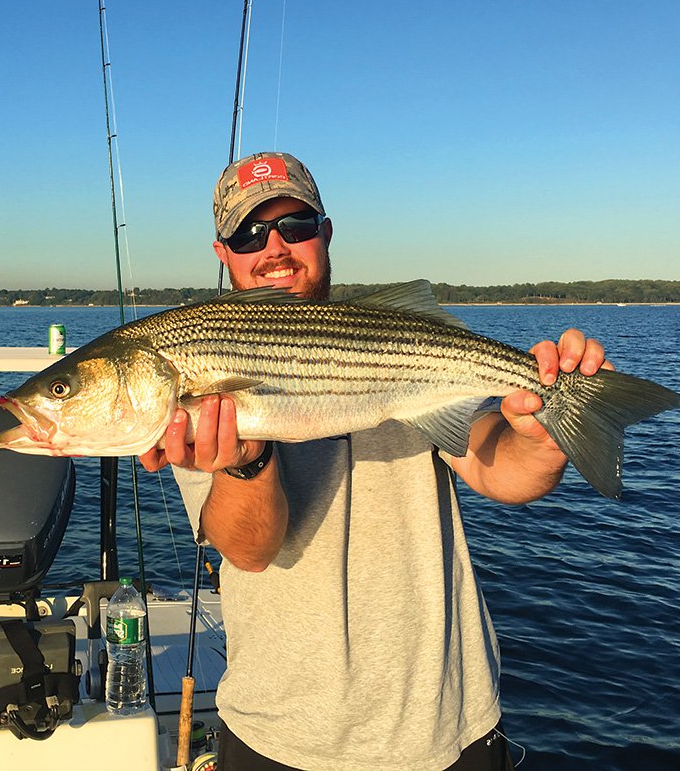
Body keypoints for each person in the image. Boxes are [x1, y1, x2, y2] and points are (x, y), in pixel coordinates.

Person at [139, 152, 613, 770]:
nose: (274, 247)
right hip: (279, 737)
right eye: (249, 234)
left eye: (296, 226)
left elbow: (507, 472)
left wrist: (546, 432)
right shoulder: (195, 376)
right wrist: (246, 462)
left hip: (446, 730)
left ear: (325, 234)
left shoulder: (392, 334)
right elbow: (250, 550)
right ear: (223, 252)